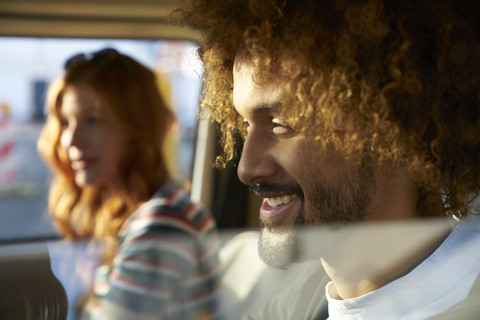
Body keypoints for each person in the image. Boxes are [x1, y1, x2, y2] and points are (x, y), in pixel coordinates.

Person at [172, 0, 480, 319]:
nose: (246, 169)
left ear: (398, 122)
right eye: (245, 125)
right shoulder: (305, 298)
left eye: (282, 124)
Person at [37, 48, 220, 319]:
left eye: (92, 120)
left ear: (137, 129)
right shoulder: (136, 214)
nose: (70, 141)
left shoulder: (162, 226)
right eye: (66, 122)